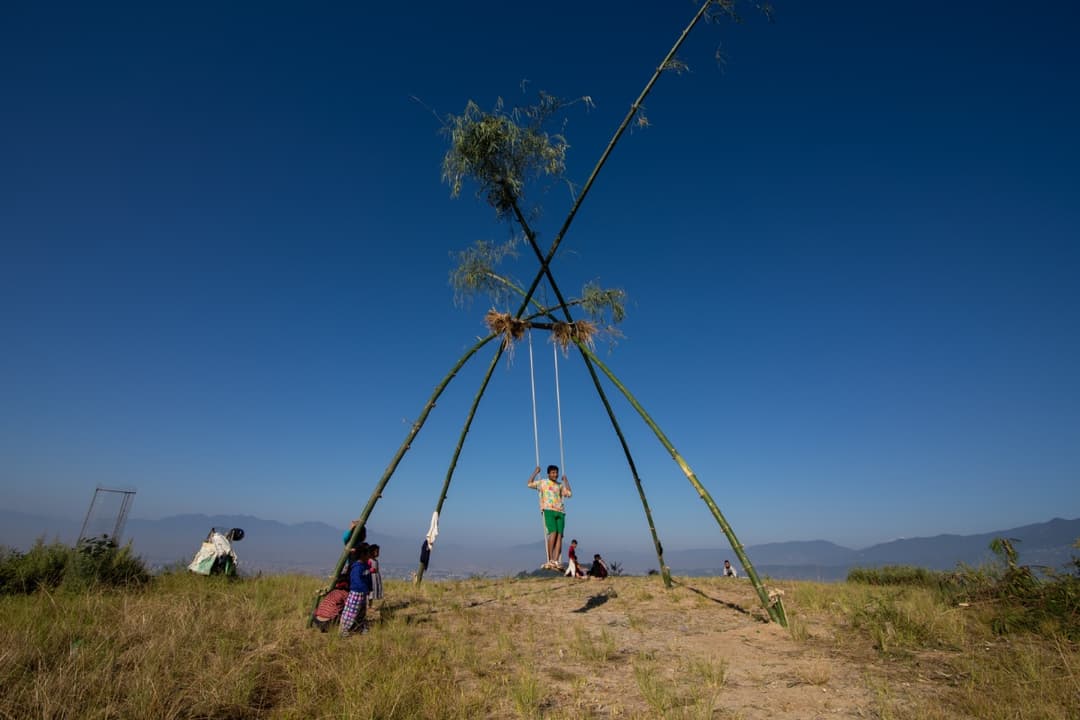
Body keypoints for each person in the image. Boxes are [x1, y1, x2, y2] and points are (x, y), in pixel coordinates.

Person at [527, 464, 572, 569]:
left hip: (560, 511)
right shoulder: (543, 482)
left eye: (556, 472)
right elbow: (529, 484)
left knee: (559, 536)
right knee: (553, 532)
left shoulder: (560, 485)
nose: (555, 474)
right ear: (548, 474)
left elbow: (569, 494)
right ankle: (550, 559)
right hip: (548, 510)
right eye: (552, 472)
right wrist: (535, 472)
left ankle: (556, 561)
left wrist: (566, 480)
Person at [340, 543, 372, 637]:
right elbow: (356, 580)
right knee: (351, 612)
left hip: (363, 593)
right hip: (356, 593)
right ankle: (343, 629)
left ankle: (359, 627)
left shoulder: (365, 566)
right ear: (362, 555)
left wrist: (369, 588)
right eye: (368, 554)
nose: (370, 556)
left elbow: (368, 578)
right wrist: (365, 588)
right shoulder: (357, 567)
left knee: (362, 612)